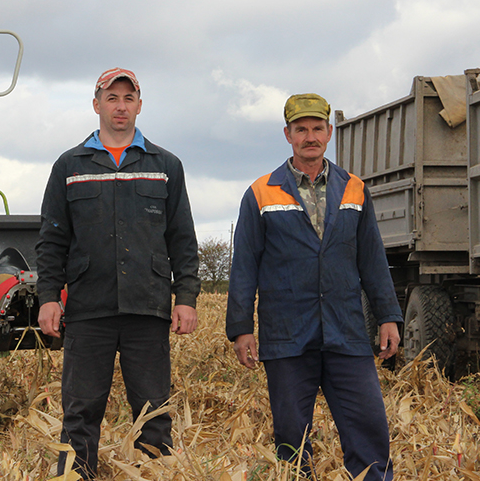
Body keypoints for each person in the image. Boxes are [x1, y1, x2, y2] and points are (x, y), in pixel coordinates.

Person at [225, 93, 402, 480]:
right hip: (287, 335)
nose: (310, 136)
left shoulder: (355, 189)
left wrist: (388, 316)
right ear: (287, 134)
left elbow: (372, 259)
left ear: (329, 133)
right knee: (292, 439)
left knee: (369, 429)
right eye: (301, 129)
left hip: (346, 331)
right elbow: (244, 266)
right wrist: (240, 329)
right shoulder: (261, 193)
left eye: (317, 128)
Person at [36, 67, 201, 480]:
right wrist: (49, 297)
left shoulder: (165, 165)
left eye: (128, 98)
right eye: (112, 98)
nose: (120, 106)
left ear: (140, 106)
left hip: (147, 307)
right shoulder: (69, 165)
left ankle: (153, 474)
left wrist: (185, 298)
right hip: (89, 309)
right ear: (97, 105)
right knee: (80, 411)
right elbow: (52, 240)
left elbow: (182, 239)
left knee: (152, 412)